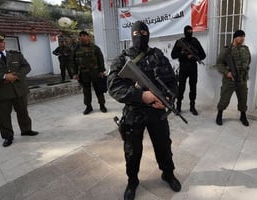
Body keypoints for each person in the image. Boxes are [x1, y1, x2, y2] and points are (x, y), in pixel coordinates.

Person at [108, 21, 181, 200]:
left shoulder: (158, 56)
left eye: (143, 32)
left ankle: (168, 173)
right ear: (131, 35)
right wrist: (141, 96)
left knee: (163, 146)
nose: (140, 35)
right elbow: (113, 86)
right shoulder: (122, 59)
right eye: (136, 33)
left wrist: (168, 99)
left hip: (157, 111)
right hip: (134, 112)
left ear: (148, 33)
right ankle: (132, 181)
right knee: (132, 151)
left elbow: (172, 82)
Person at [0, 30, 38, 147]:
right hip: (1, 92)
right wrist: (4, 76)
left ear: (4, 42)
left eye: (1, 41)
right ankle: (7, 136)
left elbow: (26, 67)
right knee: (3, 116)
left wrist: (15, 76)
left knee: (23, 111)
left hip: (18, 89)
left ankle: (26, 130)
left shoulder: (16, 54)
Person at [215, 30, 251, 126]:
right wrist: (227, 73)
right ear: (235, 37)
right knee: (224, 98)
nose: (242, 38)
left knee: (243, 98)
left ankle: (243, 115)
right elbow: (219, 63)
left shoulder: (245, 49)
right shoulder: (227, 49)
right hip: (229, 80)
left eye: (244, 36)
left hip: (242, 80)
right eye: (240, 36)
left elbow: (249, 61)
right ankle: (219, 115)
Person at [171, 25, 206, 115]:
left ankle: (192, 107)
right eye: (188, 31)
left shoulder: (195, 41)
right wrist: (183, 54)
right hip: (183, 67)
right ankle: (178, 107)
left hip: (193, 67)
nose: (190, 32)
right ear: (184, 32)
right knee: (181, 88)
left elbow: (203, 55)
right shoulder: (180, 42)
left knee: (193, 88)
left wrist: (193, 56)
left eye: (191, 30)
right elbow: (173, 55)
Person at [73, 30, 107, 114]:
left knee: (99, 89)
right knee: (86, 91)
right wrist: (75, 73)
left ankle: (102, 105)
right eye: (80, 36)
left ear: (88, 37)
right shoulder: (76, 49)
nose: (82, 37)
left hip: (95, 72)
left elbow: (100, 59)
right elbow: (73, 61)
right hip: (84, 73)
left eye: (84, 35)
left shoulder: (95, 47)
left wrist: (101, 70)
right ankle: (88, 107)